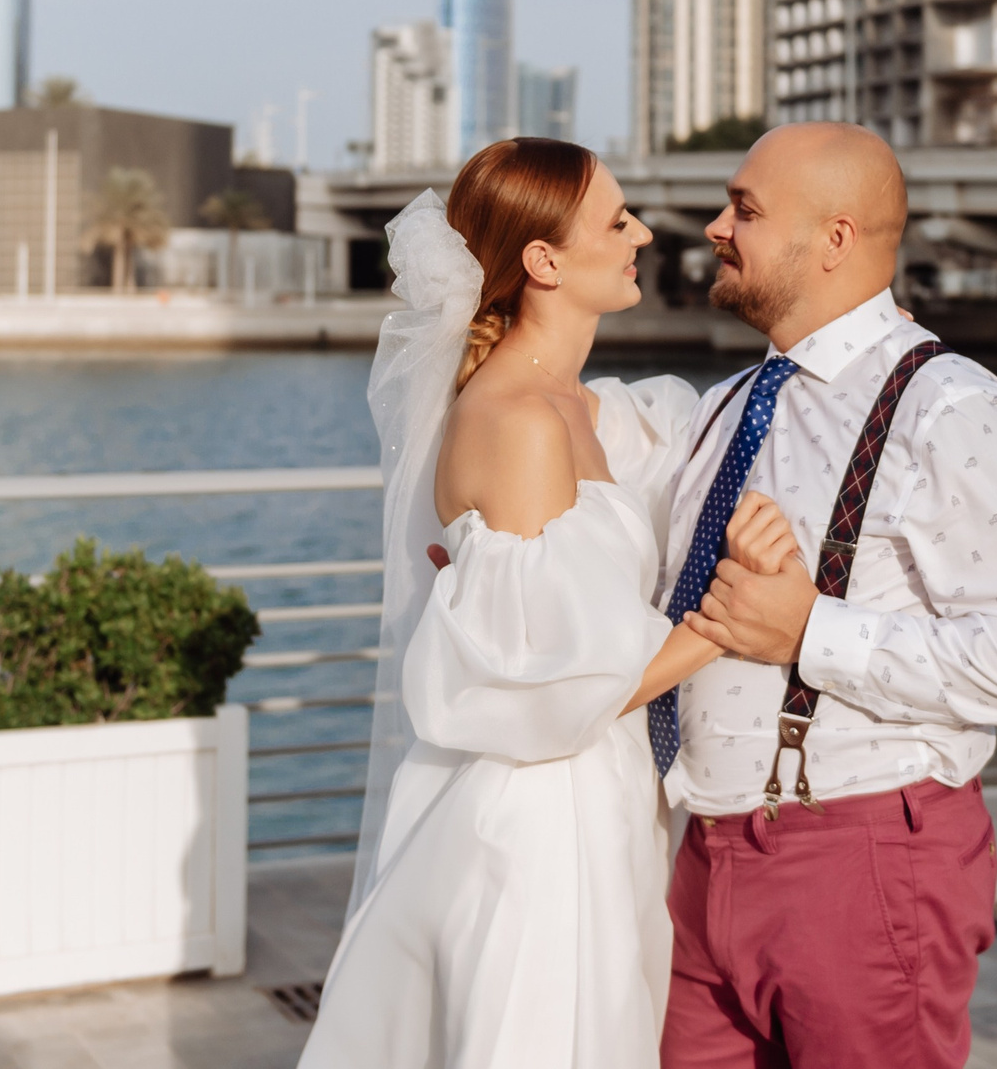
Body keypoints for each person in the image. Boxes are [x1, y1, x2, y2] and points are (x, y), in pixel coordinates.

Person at [299, 138, 800, 1069]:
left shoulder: (590, 408)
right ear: (543, 262)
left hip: (604, 796)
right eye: (616, 221)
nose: (645, 233)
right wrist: (731, 617)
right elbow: (546, 686)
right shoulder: (519, 423)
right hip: (540, 820)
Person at [658, 122, 997, 1069]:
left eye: (744, 208)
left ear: (834, 239)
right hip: (700, 859)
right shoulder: (725, 405)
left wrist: (811, 629)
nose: (713, 227)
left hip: (858, 859)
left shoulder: (952, 408)